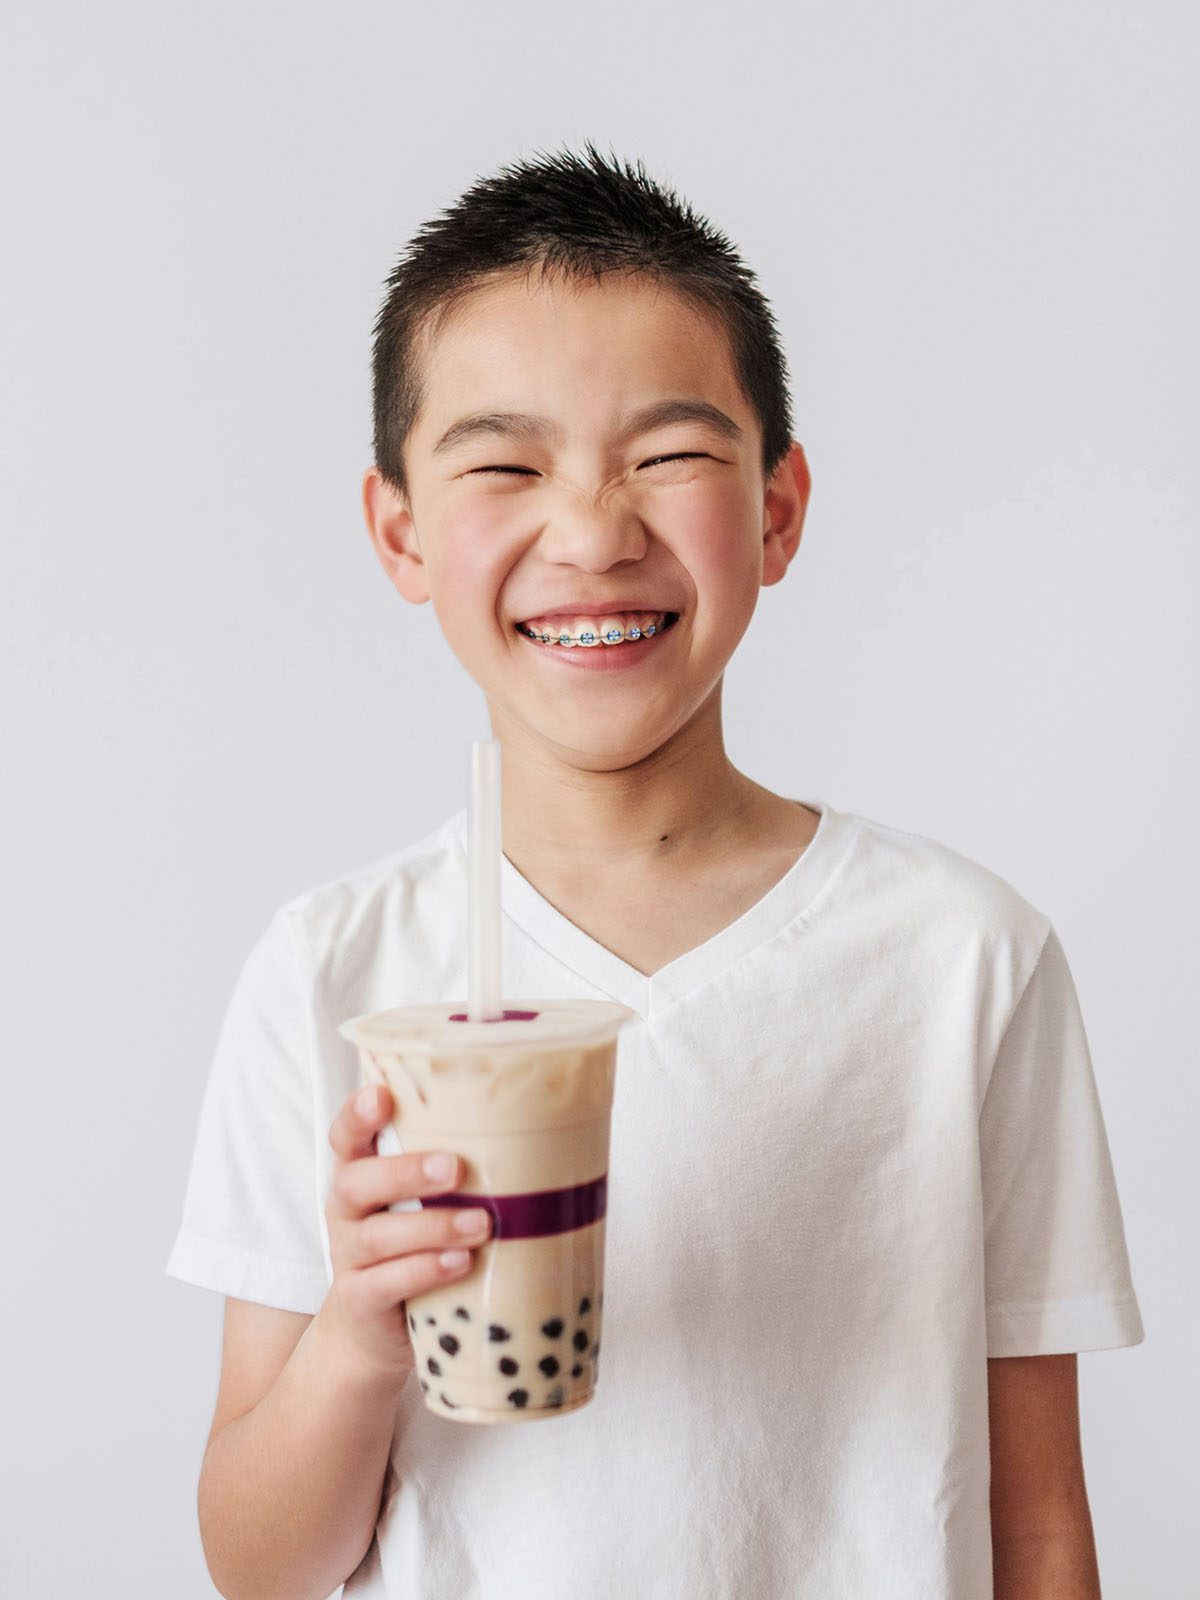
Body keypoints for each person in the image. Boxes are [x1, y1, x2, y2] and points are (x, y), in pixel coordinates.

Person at [166, 143, 1144, 1600]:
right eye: (504, 464)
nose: (592, 531)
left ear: (777, 508)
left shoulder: (963, 959)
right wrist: (361, 1336)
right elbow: (258, 1564)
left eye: (670, 456)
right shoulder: (336, 971)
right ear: (401, 532)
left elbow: (1038, 1526)